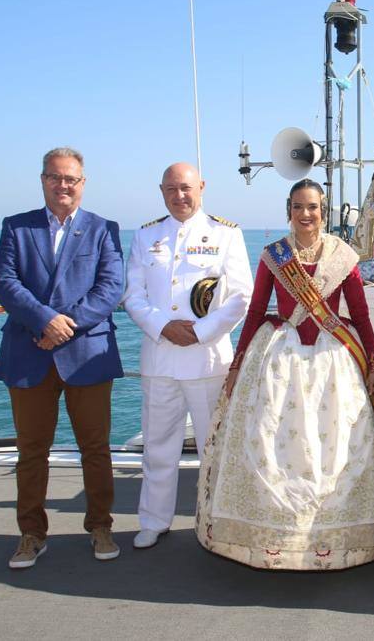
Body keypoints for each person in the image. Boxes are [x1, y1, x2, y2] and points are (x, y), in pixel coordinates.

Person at [196, 179, 374, 570]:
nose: (306, 214)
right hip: (280, 360)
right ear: (289, 210)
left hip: (334, 361)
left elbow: (362, 316)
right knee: (270, 444)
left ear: (323, 210)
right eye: (298, 207)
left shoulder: (343, 256)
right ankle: (273, 539)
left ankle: (333, 536)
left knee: (337, 450)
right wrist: (237, 364)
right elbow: (255, 313)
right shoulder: (272, 256)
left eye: (313, 207)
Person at [0, 147, 124, 569]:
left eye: (71, 179)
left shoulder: (104, 229)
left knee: (96, 448)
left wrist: (66, 325)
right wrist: (45, 321)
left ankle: (101, 526)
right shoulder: (16, 227)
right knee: (31, 450)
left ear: (83, 183)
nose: (63, 185)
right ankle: (31, 534)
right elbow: (5, 282)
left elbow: (110, 287)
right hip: (29, 353)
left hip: (87, 354)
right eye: (55, 177)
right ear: (43, 180)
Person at [123, 162, 252, 550]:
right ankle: (153, 520)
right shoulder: (146, 236)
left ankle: (216, 523)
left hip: (207, 360)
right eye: (171, 189)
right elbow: (133, 295)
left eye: (186, 188)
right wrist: (164, 327)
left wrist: (198, 332)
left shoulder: (225, 234)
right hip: (160, 359)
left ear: (202, 188)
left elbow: (240, 297)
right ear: (161, 191)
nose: (179, 196)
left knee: (215, 448)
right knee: (158, 447)